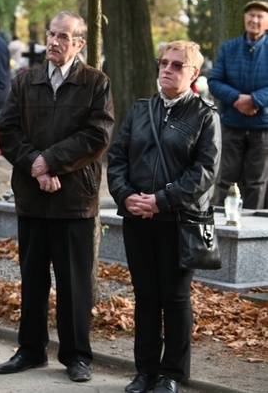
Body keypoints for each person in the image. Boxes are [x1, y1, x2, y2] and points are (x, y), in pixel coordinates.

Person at [0, 11, 114, 383]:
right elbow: (8, 131)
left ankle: (76, 355)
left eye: (64, 36)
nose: (55, 41)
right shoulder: (25, 81)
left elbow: (98, 135)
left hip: (74, 199)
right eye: (52, 34)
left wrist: (52, 162)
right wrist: (36, 165)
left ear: (79, 43)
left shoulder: (96, 83)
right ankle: (30, 350)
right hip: (32, 196)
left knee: (74, 283)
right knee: (31, 278)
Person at [107, 41, 220, 393]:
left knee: (174, 299)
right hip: (138, 219)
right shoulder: (141, 111)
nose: (167, 70)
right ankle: (145, 372)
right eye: (164, 63)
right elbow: (117, 158)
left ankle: (172, 374)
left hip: (178, 221)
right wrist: (126, 197)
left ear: (193, 74)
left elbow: (204, 172)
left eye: (176, 65)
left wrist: (161, 200)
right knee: (145, 297)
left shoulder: (205, 116)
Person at [208, 0, 268, 209]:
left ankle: (253, 232)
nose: (254, 20)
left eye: (260, 16)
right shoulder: (229, 48)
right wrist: (237, 99)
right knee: (226, 177)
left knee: (258, 182)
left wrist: (254, 100)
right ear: (244, 19)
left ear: (267, 22)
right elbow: (214, 81)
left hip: (263, 127)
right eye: (251, 15)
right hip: (232, 124)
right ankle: (223, 224)